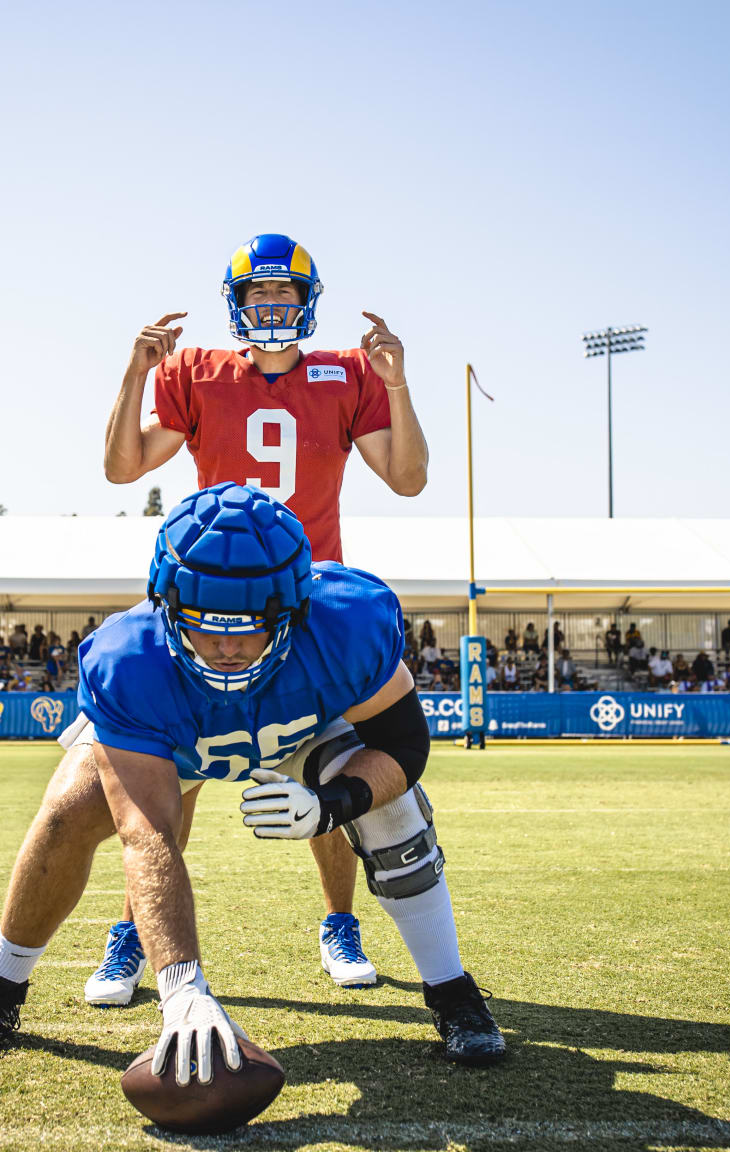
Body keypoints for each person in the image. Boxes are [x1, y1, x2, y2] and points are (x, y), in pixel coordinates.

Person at [0, 485, 504, 1074]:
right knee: (67, 810)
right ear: (166, 604)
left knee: (394, 810)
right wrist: (183, 988)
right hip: (177, 740)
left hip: (303, 731)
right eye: (204, 624)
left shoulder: (348, 622)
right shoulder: (128, 663)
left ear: (295, 605)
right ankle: (6, 987)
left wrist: (330, 805)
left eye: (249, 626)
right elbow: (149, 835)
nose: (227, 648)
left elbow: (404, 744)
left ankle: (451, 992)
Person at [96, 232, 429, 1003]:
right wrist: (134, 371)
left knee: (342, 763)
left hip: (310, 605)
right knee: (169, 776)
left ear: (306, 303)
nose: (271, 306)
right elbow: (122, 468)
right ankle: (131, 935)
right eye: (258, 296)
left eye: (284, 295)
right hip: (209, 602)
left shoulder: (347, 373)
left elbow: (408, 480)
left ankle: (338, 923)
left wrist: (399, 384)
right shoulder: (196, 372)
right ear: (237, 305)